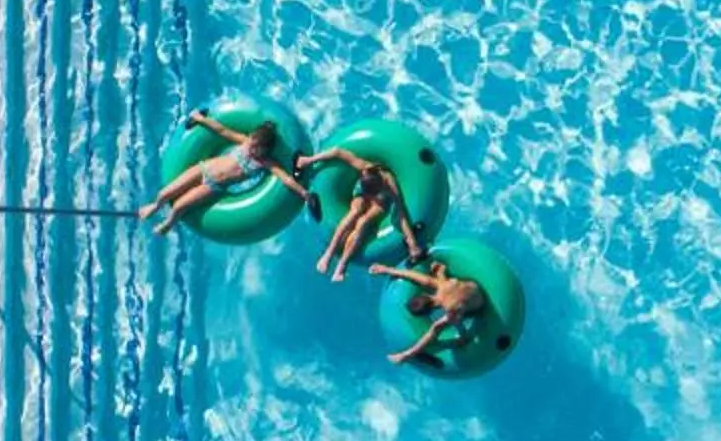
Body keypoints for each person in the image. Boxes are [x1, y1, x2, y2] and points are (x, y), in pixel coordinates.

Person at [140, 112, 312, 235]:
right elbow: (222, 131)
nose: (251, 150)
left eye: (256, 149)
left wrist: (304, 194)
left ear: (265, 150)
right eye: (251, 144)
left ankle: (168, 224)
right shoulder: (244, 143)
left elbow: (285, 178)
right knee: (164, 193)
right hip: (203, 169)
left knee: (179, 206)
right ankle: (154, 206)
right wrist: (201, 119)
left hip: (213, 186)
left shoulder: (266, 163)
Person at [298, 147, 424, 281]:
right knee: (355, 212)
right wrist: (309, 160)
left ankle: (342, 266)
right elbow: (337, 151)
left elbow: (401, 212)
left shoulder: (390, 184)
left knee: (363, 222)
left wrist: (412, 243)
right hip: (361, 192)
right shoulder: (365, 168)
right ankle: (328, 254)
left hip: (381, 199)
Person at [370, 258, 489, 366]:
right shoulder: (441, 284)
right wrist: (386, 270)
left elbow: (461, 329)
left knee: (436, 327)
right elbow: (412, 275)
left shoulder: (450, 310)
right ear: (425, 294)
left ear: (429, 313)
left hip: (481, 306)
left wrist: (462, 337)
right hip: (476, 286)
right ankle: (405, 355)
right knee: (438, 276)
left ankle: (406, 355)